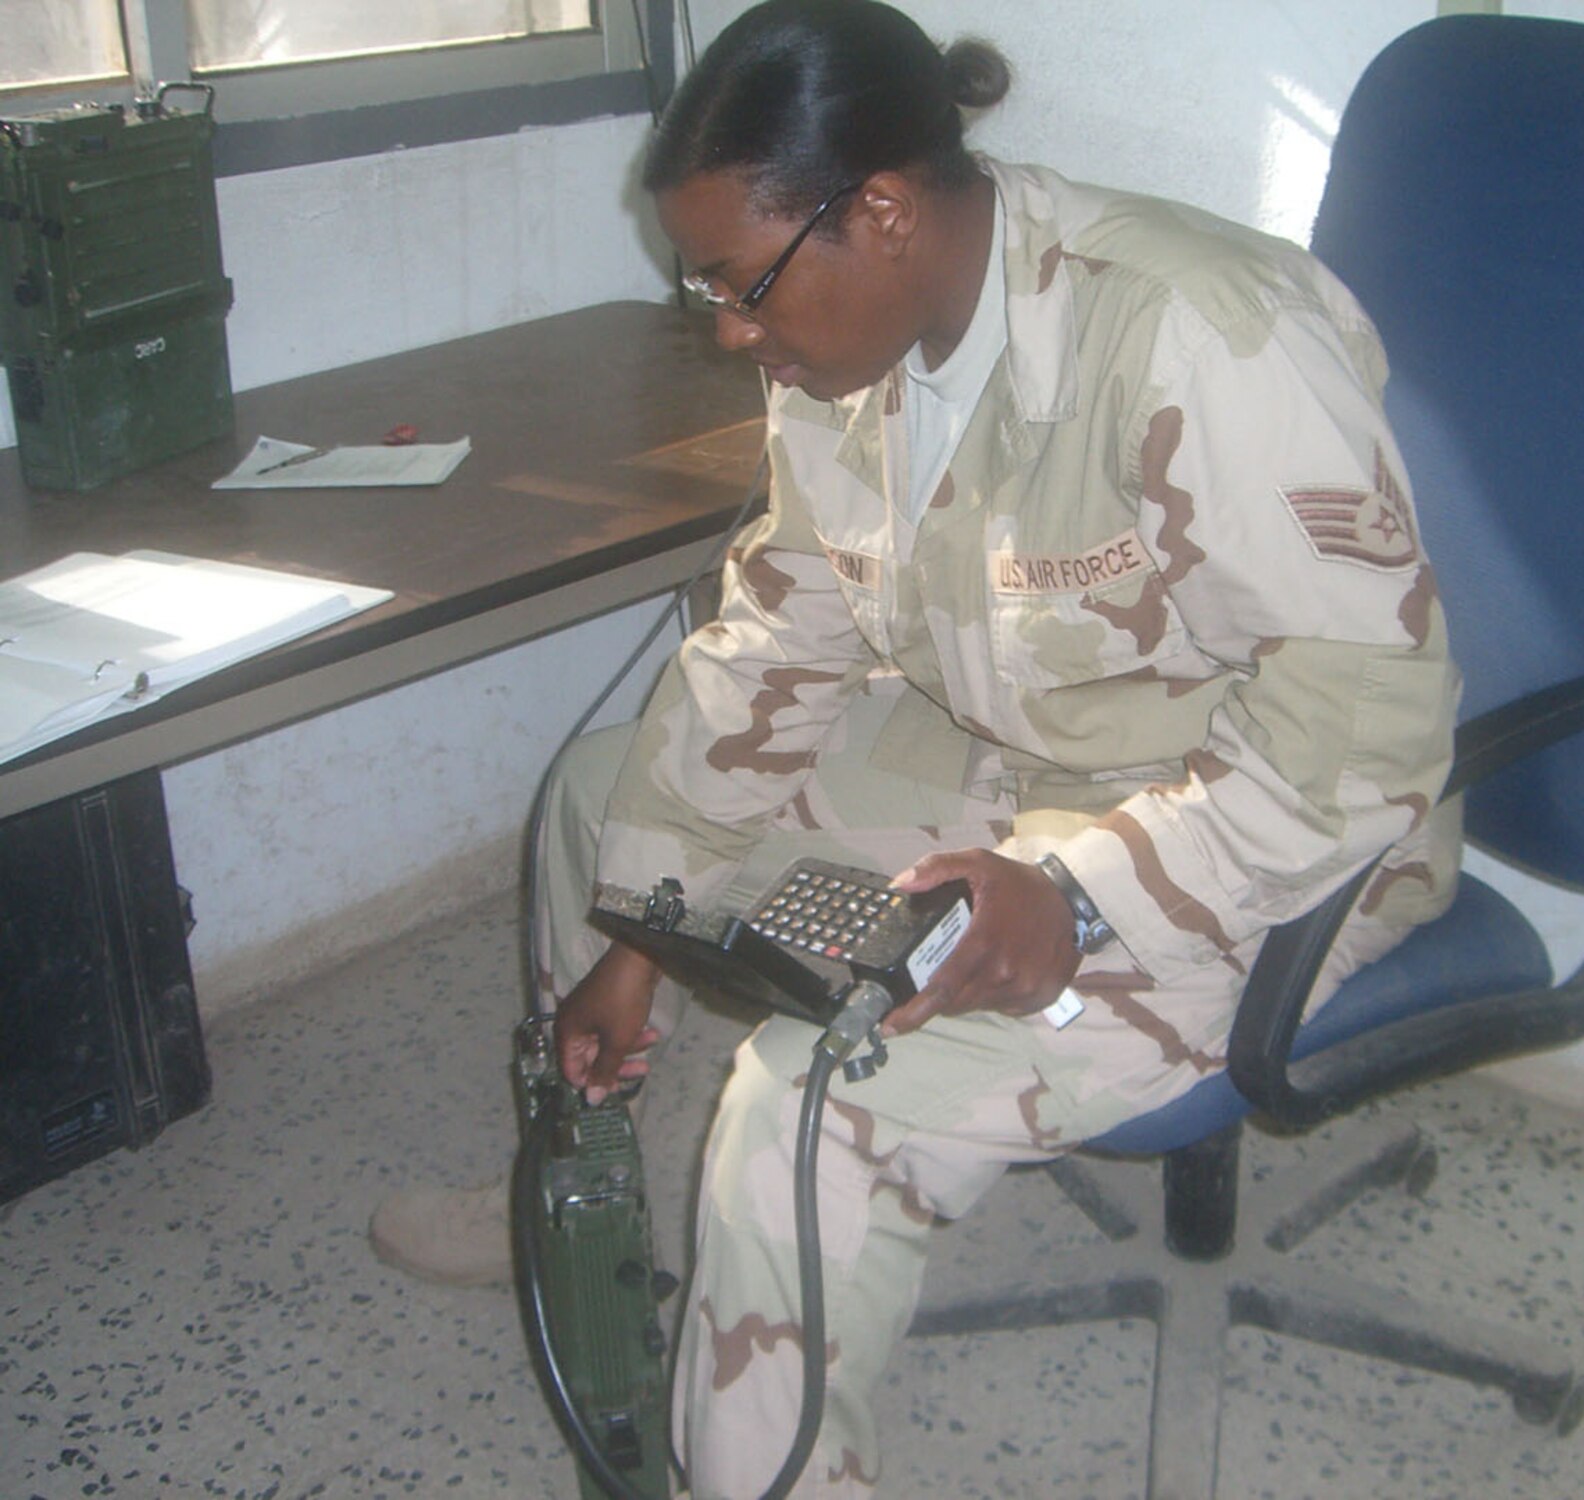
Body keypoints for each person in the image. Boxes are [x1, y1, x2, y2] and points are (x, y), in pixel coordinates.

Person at [372, 1, 1462, 1493]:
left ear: (881, 212)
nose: (731, 331)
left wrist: (1079, 898)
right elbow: (782, 634)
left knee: (804, 1101)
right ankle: (585, 1214)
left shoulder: (1200, 337)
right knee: (594, 800)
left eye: (742, 285)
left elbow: (1364, 740)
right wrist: (640, 925)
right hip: (1022, 762)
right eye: (711, 289)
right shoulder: (847, 350)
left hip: (1272, 844)